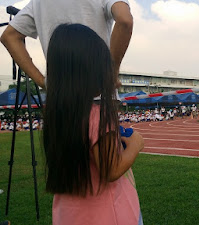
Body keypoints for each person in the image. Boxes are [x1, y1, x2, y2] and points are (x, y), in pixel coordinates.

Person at [42, 24, 144, 225]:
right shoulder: (98, 114)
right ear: (91, 72)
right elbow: (111, 171)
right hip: (109, 214)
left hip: (69, 215)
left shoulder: (58, 116)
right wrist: (135, 145)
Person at [1, 0, 133, 90]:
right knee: (108, 132)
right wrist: (111, 73)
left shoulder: (38, 2)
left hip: (60, 97)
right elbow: (124, 20)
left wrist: (42, 81)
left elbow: (9, 36)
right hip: (99, 93)